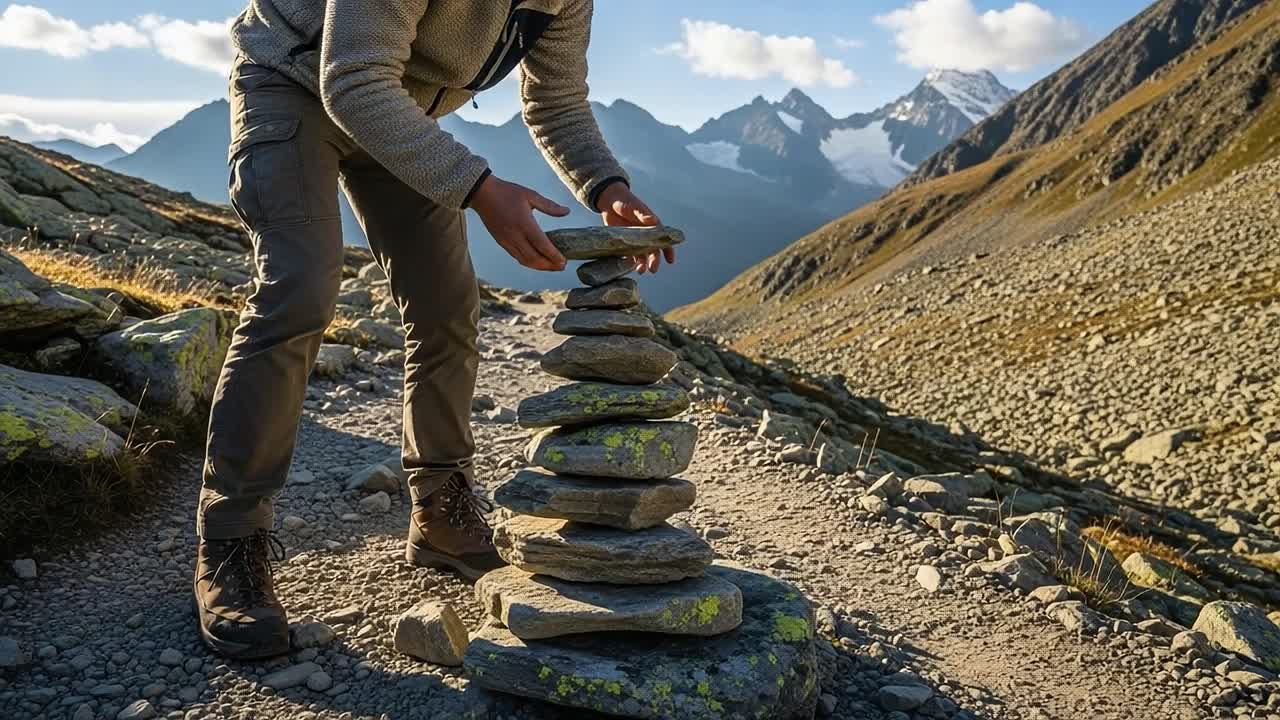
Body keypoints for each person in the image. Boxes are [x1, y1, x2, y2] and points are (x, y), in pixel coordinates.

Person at [194, 0, 674, 660]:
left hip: (399, 109)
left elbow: (556, 101)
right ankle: (231, 541)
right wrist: (477, 187)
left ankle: (440, 510)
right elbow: (351, 78)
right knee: (298, 290)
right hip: (295, 82)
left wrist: (606, 186)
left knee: (446, 309)